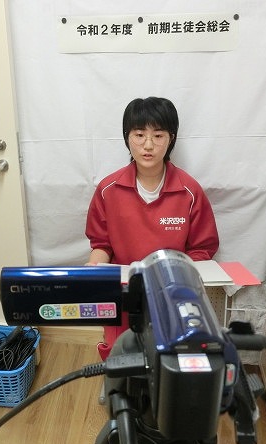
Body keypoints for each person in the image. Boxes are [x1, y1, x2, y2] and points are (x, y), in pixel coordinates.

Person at [85, 96, 219, 359]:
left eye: (158, 136)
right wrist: (94, 270)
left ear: (171, 139)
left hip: (172, 292)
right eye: (139, 135)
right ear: (127, 137)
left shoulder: (189, 191)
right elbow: (101, 244)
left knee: (169, 355)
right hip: (123, 291)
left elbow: (202, 249)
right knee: (119, 353)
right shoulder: (108, 190)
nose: (148, 145)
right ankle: (117, 373)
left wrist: (174, 283)